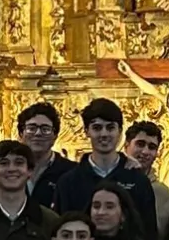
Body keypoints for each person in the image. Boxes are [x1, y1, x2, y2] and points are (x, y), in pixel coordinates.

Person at [56, 97, 155, 231]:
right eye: (97, 128)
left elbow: (148, 232)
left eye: (110, 128)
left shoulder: (138, 180)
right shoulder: (68, 182)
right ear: (86, 131)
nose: (104, 134)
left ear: (119, 131)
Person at [18, 101, 74, 209]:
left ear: (55, 136)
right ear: (21, 134)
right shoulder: (6, 170)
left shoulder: (72, 172)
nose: (38, 133)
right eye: (31, 128)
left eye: (45, 129)